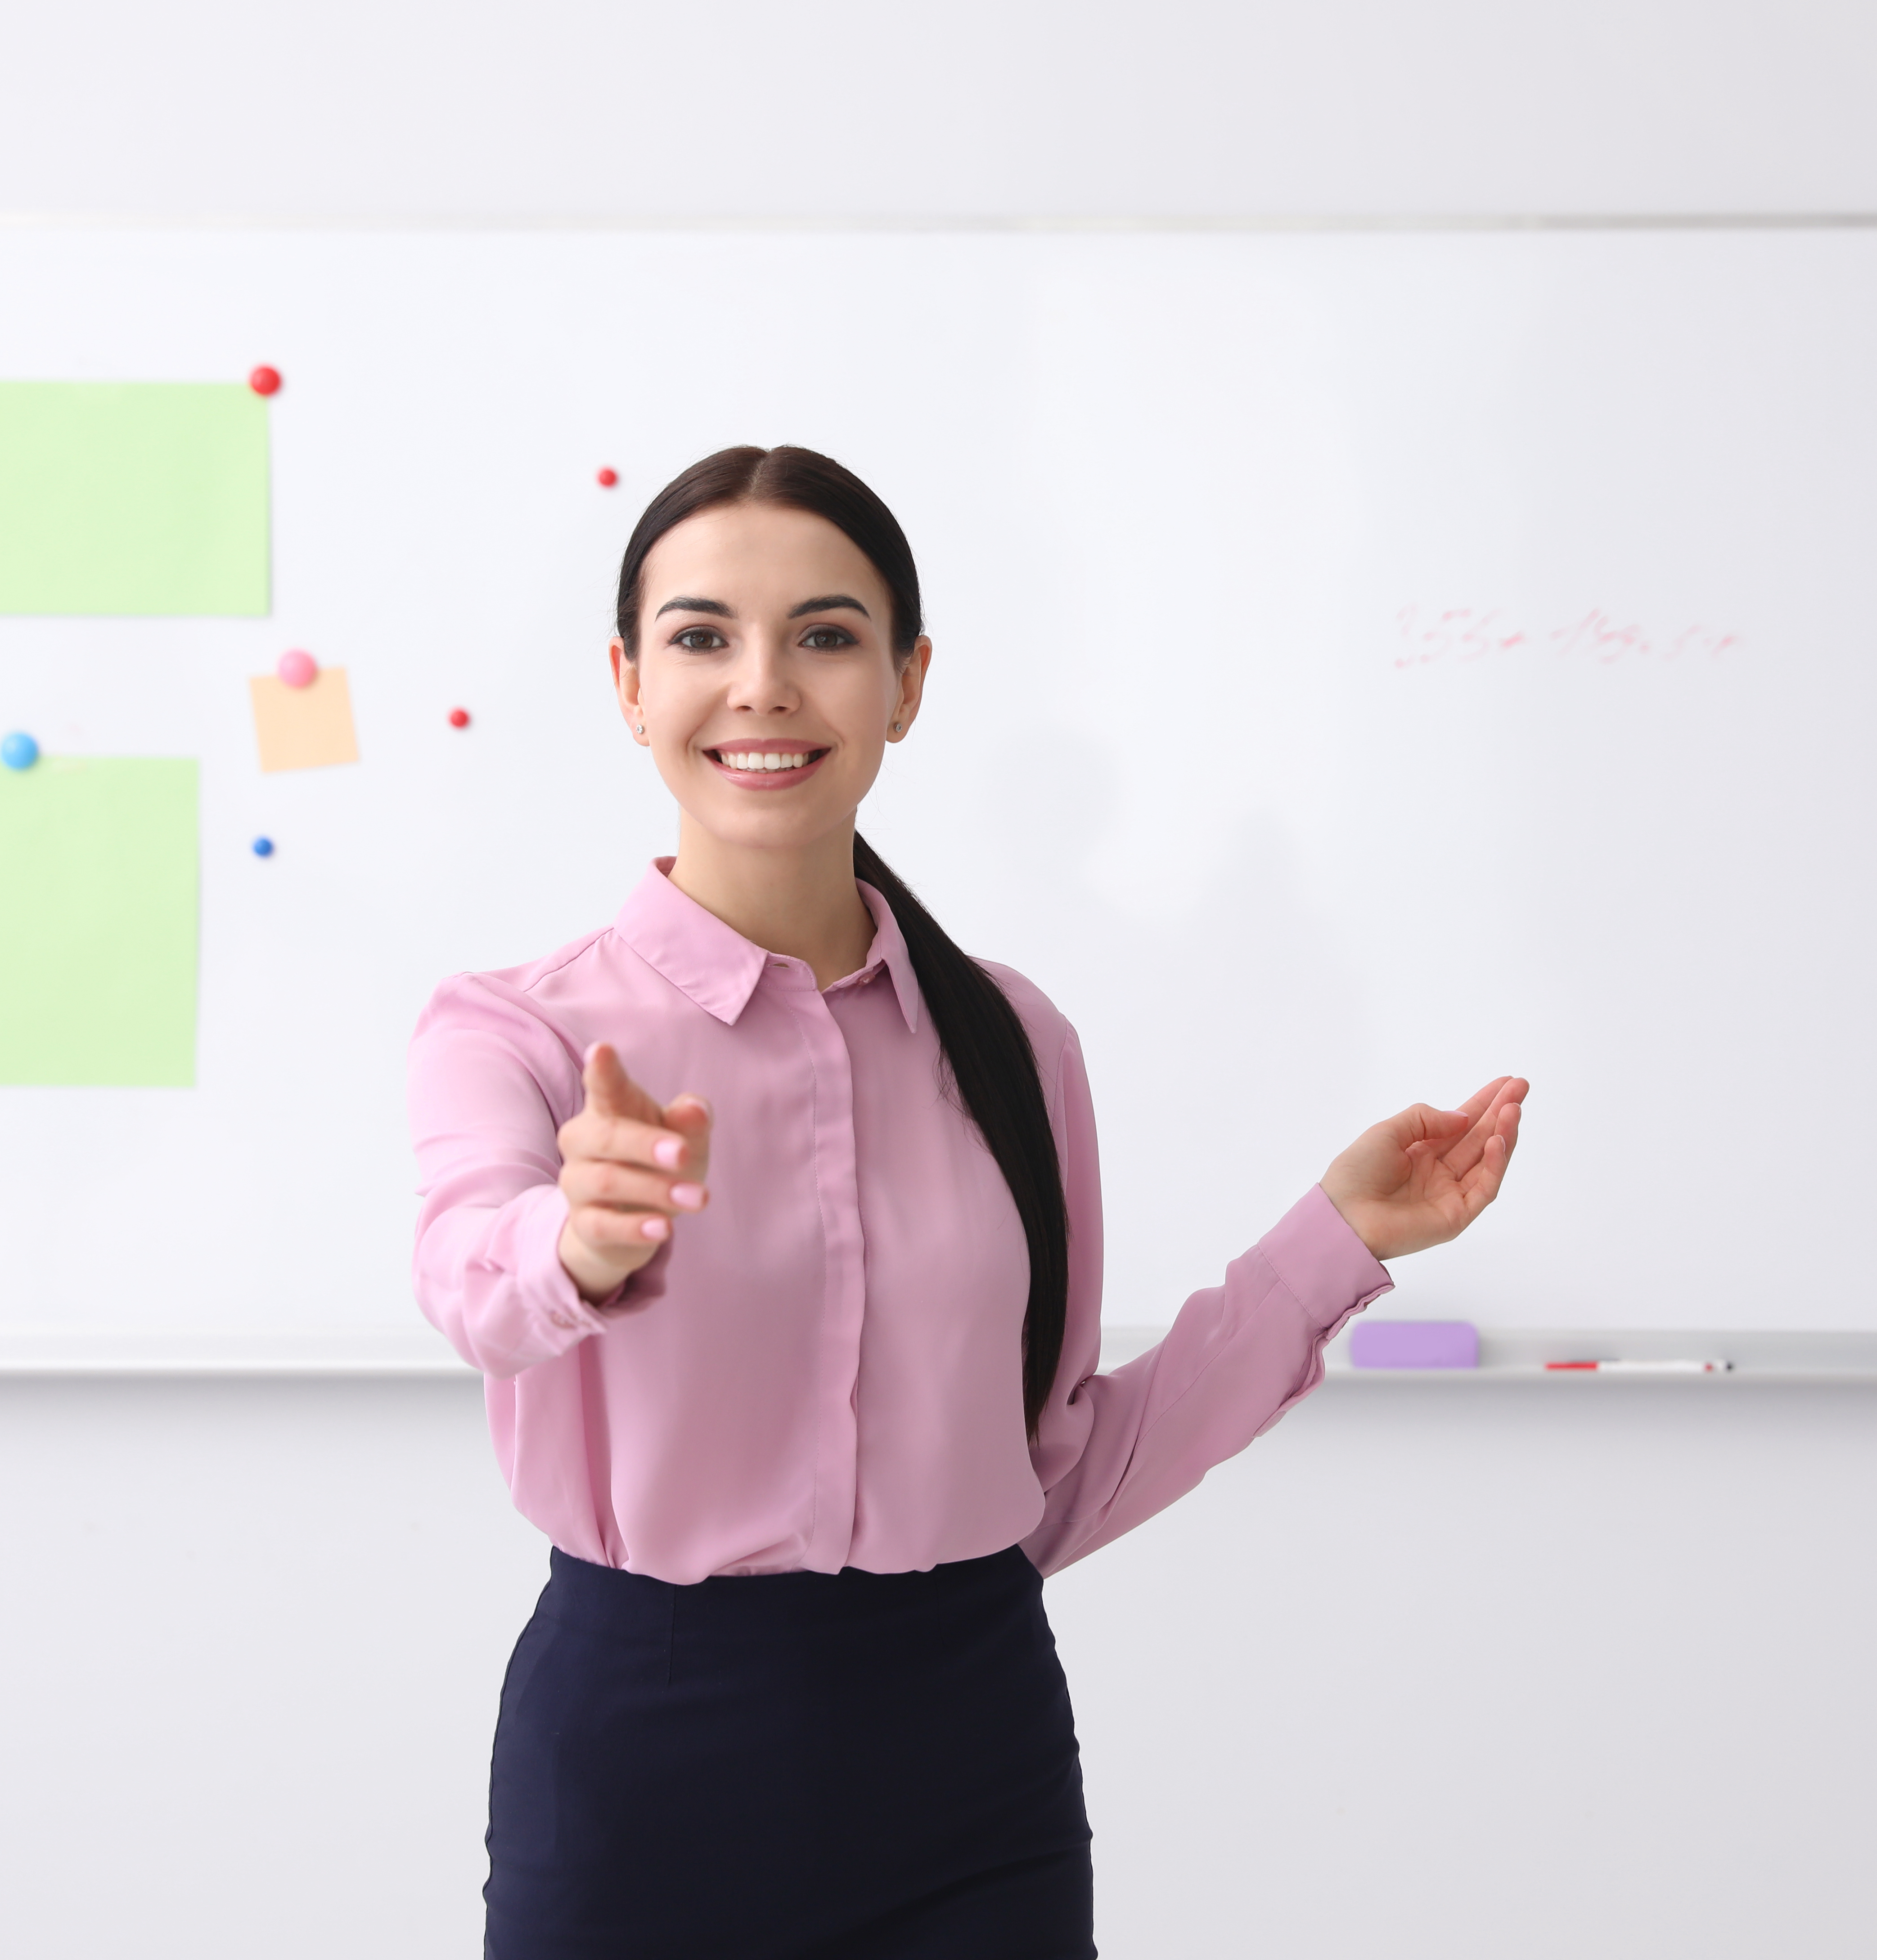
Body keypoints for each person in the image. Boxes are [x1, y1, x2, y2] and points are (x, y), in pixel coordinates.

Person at [409, 445, 1527, 1959]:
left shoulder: (1009, 1041)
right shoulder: (520, 1031)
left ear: (906, 681)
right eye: (699, 637)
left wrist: (1335, 1245)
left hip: (970, 1753)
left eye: (824, 634)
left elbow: (1056, 1475)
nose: (762, 686)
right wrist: (580, 1242)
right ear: (626, 683)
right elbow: (469, 1272)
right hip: (644, 1754)